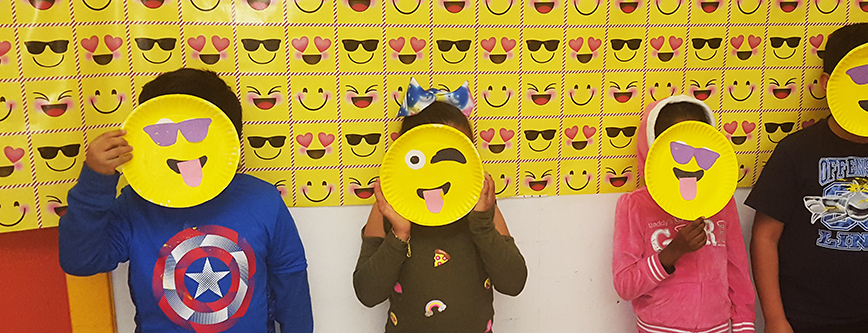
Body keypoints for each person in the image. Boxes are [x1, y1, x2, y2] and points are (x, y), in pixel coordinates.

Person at [59, 68, 313, 332]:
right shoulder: (135, 205)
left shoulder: (263, 201)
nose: (181, 146)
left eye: (196, 131)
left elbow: (291, 282)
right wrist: (95, 180)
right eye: (164, 134)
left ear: (227, 136)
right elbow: (81, 261)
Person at [746, 22, 868, 333]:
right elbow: (764, 237)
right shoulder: (796, 150)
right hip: (805, 317)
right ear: (829, 83)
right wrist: (774, 318)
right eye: (862, 78)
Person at [353, 97, 528, 332]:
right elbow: (367, 293)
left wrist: (482, 224)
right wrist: (399, 234)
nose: (436, 171)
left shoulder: (482, 206)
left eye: (452, 156)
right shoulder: (388, 208)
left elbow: (514, 283)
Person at [612, 95, 756, 333]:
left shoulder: (721, 202)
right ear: (652, 145)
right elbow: (625, 285)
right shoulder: (634, 205)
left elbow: (737, 270)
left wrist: (744, 325)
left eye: (695, 145)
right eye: (676, 146)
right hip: (658, 328)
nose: (688, 157)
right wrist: (672, 253)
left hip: (717, 327)